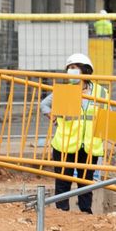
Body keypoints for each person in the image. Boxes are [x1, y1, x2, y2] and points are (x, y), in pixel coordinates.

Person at [39, 52, 106, 213]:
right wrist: (53, 118)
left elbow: (107, 113)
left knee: (85, 181)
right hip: (64, 144)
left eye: (74, 68)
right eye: (69, 68)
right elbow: (44, 105)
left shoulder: (100, 92)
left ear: (85, 70)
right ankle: (62, 213)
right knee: (63, 181)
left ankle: (85, 212)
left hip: (89, 145)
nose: (71, 71)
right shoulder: (65, 90)